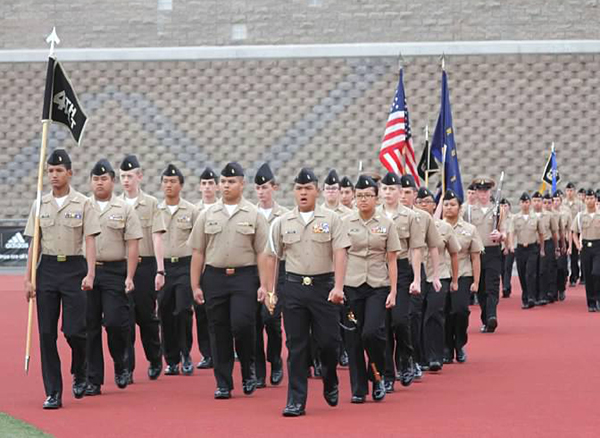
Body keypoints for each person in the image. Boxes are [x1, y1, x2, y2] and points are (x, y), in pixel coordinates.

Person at [265, 168, 351, 417]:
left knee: (329, 343)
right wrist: (271, 291)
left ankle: (330, 378)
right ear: (294, 191)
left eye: (308, 188)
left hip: (323, 288)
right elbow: (273, 257)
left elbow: (340, 253)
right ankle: (295, 399)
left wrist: (339, 287)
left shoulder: (332, 220)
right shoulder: (282, 223)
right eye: (299, 188)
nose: (303, 193)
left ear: (317, 191)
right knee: (296, 346)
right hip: (293, 288)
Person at [24, 149, 100, 409]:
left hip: (74, 269)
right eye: (50, 171)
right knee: (46, 333)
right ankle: (53, 391)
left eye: (58, 171)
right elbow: (35, 245)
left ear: (70, 172)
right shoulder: (39, 204)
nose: (54, 175)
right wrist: (28, 278)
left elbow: (90, 241)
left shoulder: (83, 203)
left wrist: (90, 273)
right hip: (47, 271)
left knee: (74, 331)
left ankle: (80, 368)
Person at [189, 162, 269, 399]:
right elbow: (198, 252)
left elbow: (262, 252)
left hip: (245, 277)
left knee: (243, 325)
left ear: (242, 184)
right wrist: (195, 285)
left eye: (231, 182)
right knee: (219, 329)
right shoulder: (207, 214)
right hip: (214, 277)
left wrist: (264, 285)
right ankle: (223, 382)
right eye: (223, 182)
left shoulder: (253, 214)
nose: (226, 186)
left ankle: (248, 369)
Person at [85, 159, 143, 396]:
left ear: (112, 181)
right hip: (88, 272)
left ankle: (120, 362)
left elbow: (132, 244)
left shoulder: (124, 208)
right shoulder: (82, 206)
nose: (99, 183)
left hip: (114, 271)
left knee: (115, 323)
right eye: (96, 179)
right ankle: (93, 379)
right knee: (89, 327)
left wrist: (130, 276)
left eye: (104, 179)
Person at [343, 175, 400, 403]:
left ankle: (376, 376)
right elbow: (338, 255)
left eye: (368, 195)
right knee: (353, 338)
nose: (363, 200)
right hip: (352, 285)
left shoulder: (386, 224)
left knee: (372, 333)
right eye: (360, 196)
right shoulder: (346, 223)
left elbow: (393, 259)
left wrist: (394, 291)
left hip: (378, 285)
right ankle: (358, 389)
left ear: (377, 198)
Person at [119, 154, 165, 382]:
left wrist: (160, 269)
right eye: (123, 176)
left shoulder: (151, 204)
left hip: (145, 266)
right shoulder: (115, 205)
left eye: (130, 176)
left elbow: (157, 237)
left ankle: (155, 357)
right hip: (121, 267)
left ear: (140, 177)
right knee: (124, 319)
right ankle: (126, 368)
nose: (126, 180)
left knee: (146, 318)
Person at [379, 171, 424, 392]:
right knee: (383, 325)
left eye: (392, 189)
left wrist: (416, 278)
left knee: (400, 320)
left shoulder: (410, 216)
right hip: (378, 272)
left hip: (403, 270)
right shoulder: (373, 214)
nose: (388, 193)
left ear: (400, 192)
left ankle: (406, 357)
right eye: (384, 189)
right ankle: (388, 373)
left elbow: (416, 248)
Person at [399, 175, 442, 378]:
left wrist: (435, 275)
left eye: (408, 192)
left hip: (414, 271)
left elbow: (433, 246)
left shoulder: (423, 217)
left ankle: (414, 358)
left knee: (413, 317)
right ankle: (399, 361)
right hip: (389, 272)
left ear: (415, 195)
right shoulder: (387, 216)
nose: (403, 196)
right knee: (394, 320)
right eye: (401, 191)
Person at [158, 164, 199, 376]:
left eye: (173, 181)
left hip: (185, 266)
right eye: (165, 181)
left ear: (181, 185)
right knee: (165, 312)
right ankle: (171, 359)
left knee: (183, 310)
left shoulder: (191, 211)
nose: (168, 185)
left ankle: (186, 353)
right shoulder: (157, 211)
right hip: (164, 267)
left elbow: (198, 243)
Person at [416, 188, 460, 371]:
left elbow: (454, 253)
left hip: (439, 275)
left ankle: (435, 356)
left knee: (434, 314)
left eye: (428, 202)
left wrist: (455, 280)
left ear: (435, 206)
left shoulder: (445, 227)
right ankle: (421, 357)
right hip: (417, 277)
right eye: (421, 202)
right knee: (417, 317)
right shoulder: (412, 224)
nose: (424, 205)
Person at [253, 163, 287, 388]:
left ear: (274, 188)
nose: (261, 191)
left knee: (272, 320)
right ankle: (257, 370)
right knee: (253, 322)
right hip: (253, 273)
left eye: (265, 187)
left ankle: (274, 360)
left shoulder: (283, 215)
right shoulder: (250, 213)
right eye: (258, 188)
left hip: (277, 272)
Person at [442, 190, 482, 363]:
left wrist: (476, 281)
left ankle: (459, 343)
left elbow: (475, 256)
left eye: (452, 205)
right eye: (446, 204)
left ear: (460, 208)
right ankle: (446, 347)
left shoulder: (469, 229)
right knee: (443, 312)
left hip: (463, 275)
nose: (449, 208)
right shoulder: (436, 227)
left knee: (460, 310)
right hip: (442, 274)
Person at [464, 178, 506, 333]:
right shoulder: (467, 210)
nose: (483, 194)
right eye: (480, 191)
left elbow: (505, 231)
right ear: (475, 192)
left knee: (492, 286)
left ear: (490, 192)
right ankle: (485, 317)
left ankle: (492, 316)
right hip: (475, 253)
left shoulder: (498, 210)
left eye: (486, 191)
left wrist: (500, 235)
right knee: (480, 287)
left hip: (493, 251)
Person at [321, 168, 351, 367]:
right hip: (323, 269)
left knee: (345, 312)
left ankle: (345, 350)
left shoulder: (350, 215)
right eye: (328, 188)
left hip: (345, 270)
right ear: (323, 191)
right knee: (324, 314)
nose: (331, 192)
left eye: (334, 188)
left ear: (340, 191)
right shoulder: (317, 214)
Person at [194, 166, 219, 369]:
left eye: (211, 183)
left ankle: (227, 348)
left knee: (222, 313)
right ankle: (207, 353)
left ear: (217, 187)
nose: (207, 187)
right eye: (204, 184)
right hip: (200, 269)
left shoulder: (222, 209)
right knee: (202, 313)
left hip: (217, 267)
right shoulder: (195, 212)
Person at [509, 193, 544, 309]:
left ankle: (531, 297)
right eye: (523, 202)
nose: (525, 204)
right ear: (520, 204)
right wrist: (510, 245)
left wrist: (542, 248)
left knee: (530, 273)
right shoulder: (515, 218)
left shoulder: (535, 218)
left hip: (532, 248)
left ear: (530, 203)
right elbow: (512, 233)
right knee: (522, 273)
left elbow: (541, 234)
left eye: (527, 202)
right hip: (520, 249)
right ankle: (525, 296)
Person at [571, 189, 600, 312]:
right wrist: (578, 246)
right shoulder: (580, 216)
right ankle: (591, 302)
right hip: (585, 247)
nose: (589, 200)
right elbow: (574, 233)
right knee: (588, 275)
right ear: (585, 200)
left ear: (595, 199)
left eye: (591, 198)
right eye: (587, 198)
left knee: (596, 273)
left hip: (598, 246)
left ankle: (598, 297)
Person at [538, 194, 559, 304]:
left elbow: (555, 233)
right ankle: (539, 293)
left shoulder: (551, 215)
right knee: (538, 270)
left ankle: (549, 293)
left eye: (549, 202)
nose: (546, 205)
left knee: (548, 269)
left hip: (548, 243)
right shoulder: (534, 214)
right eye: (544, 202)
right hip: (535, 244)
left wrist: (557, 247)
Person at [564, 182, 583, 287]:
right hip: (565, 232)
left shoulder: (579, 204)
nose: (569, 193)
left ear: (574, 191)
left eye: (571, 190)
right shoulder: (563, 204)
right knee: (564, 256)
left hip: (575, 232)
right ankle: (565, 274)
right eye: (567, 191)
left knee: (574, 256)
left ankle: (574, 276)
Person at [553, 190, 571, 301]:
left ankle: (561, 288)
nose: (555, 202)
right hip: (551, 242)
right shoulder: (548, 212)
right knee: (552, 267)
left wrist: (569, 246)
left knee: (561, 267)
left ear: (561, 201)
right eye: (553, 200)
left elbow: (569, 229)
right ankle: (553, 290)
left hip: (562, 241)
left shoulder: (566, 213)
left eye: (557, 200)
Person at [500, 199, 515, 298]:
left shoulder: (513, 218)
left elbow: (511, 233)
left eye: (506, 205)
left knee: (507, 267)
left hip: (510, 247)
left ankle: (506, 286)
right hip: (500, 246)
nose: (504, 208)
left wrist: (508, 246)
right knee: (501, 269)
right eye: (502, 206)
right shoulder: (499, 217)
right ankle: (506, 286)